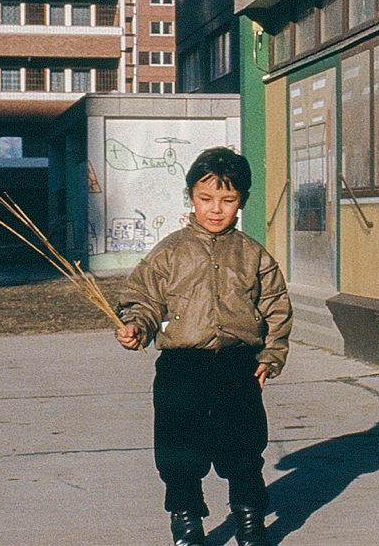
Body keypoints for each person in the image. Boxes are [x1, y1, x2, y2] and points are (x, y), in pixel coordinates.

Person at [115, 146, 292, 546]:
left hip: (237, 364)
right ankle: (186, 520)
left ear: (241, 201)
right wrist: (136, 327)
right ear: (191, 197)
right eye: (206, 198)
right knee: (179, 450)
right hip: (182, 365)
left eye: (227, 200)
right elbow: (142, 299)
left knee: (243, 447)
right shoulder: (169, 252)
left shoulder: (252, 255)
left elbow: (277, 307)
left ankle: (250, 521)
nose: (215, 209)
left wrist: (271, 355)